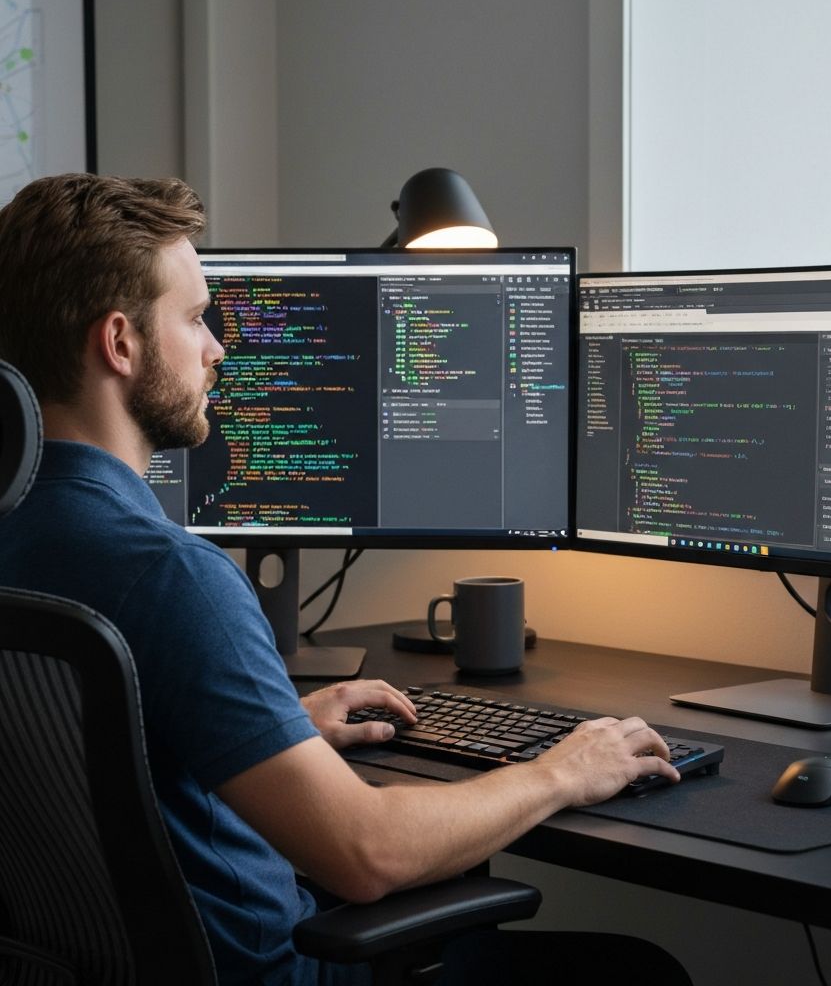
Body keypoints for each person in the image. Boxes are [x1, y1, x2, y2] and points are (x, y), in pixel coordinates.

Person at [0, 174, 691, 986]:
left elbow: (107, 762)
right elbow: (368, 854)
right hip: (277, 975)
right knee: (639, 973)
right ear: (119, 343)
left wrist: (272, 727)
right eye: (193, 319)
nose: (218, 348)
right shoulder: (172, 575)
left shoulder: (21, 534)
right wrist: (562, 771)